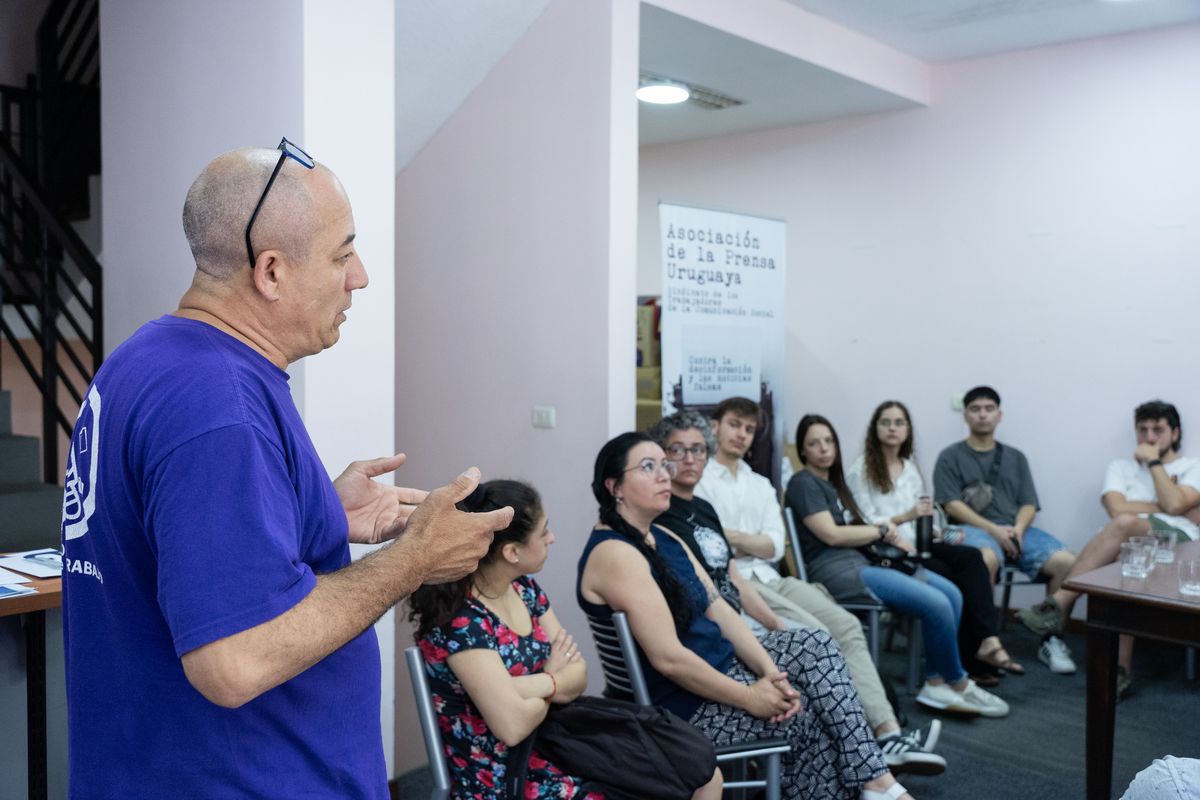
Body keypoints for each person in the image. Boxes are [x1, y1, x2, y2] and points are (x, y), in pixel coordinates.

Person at [59, 141, 512, 797]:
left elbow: (177, 541)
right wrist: (415, 557)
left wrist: (312, 511)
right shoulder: (219, 409)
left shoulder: (151, 358)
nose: (359, 276)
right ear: (270, 272)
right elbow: (235, 660)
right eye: (340, 254)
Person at [578, 432, 916, 800]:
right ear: (615, 487)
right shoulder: (616, 554)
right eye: (649, 467)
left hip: (722, 672)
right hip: (684, 708)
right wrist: (750, 697)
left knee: (815, 642)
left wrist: (771, 675)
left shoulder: (663, 537)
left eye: (664, 465)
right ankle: (875, 782)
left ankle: (874, 780)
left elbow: (718, 606)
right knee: (805, 717)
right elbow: (669, 659)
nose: (665, 475)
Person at [656, 405, 946, 776]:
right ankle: (869, 746)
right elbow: (717, 559)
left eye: (749, 428)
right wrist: (750, 543)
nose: (742, 434)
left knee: (847, 627)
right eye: (734, 425)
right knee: (820, 638)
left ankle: (887, 733)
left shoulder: (757, 482)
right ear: (716, 428)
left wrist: (743, 540)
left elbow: (775, 546)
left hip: (770, 576)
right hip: (739, 583)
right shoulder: (692, 483)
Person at [409, 479, 723, 799]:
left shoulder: (524, 589)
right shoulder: (462, 621)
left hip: (555, 740)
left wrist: (526, 687)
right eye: (544, 532)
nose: (552, 538)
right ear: (512, 552)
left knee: (703, 773)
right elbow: (513, 727)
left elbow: (579, 676)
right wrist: (552, 678)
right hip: (504, 774)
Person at [786, 414, 1009, 718]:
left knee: (953, 594)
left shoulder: (834, 484)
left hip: (863, 559)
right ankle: (957, 681)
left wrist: (889, 534)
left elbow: (861, 528)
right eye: (814, 443)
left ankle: (936, 680)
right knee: (938, 603)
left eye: (828, 441)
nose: (823, 448)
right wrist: (881, 530)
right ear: (803, 451)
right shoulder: (803, 483)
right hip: (835, 570)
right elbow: (832, 535)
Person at [1018, 400, 1200, 691]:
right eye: (1143, 430)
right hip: (1129, 544)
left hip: (1176, 543)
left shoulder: (1193, 466)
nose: (1149, 438)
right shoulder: (1120, 467)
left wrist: (1154, 465)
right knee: (1124, 556)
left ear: (1175, 434)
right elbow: (1117, 509)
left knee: (1125, 526)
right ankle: (1119, 672)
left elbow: (1174, 504)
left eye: (1158, 430)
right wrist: (1168, 505)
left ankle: (1061, 602)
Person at [846, 400, 1023, 685]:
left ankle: (987, 642)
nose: (892, 428)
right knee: (955, 579)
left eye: (899, 422)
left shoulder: (909, 468)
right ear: (874, 429)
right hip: (889, 550)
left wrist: (942, 533)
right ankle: (967, 662)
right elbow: (866, 522)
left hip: (920, 541)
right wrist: (907, 519)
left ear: (907, 430)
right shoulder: (861, 470)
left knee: (972, 557)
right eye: (886, 422)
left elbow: (924, 517)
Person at [932, 385, 1078, 675]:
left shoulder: (1016, 457)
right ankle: (984, 641)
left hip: (1016, 530)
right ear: (966, 416)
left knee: (1069, 563)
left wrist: (1018, 530)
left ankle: (1051, 639)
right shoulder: (950, 456)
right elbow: (950, 505)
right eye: (975, 409)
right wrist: (994, 531)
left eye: (989, 409)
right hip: (969, 529)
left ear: (1000, 415)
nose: (982, 415)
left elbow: (1028, 503)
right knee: (984, 559)